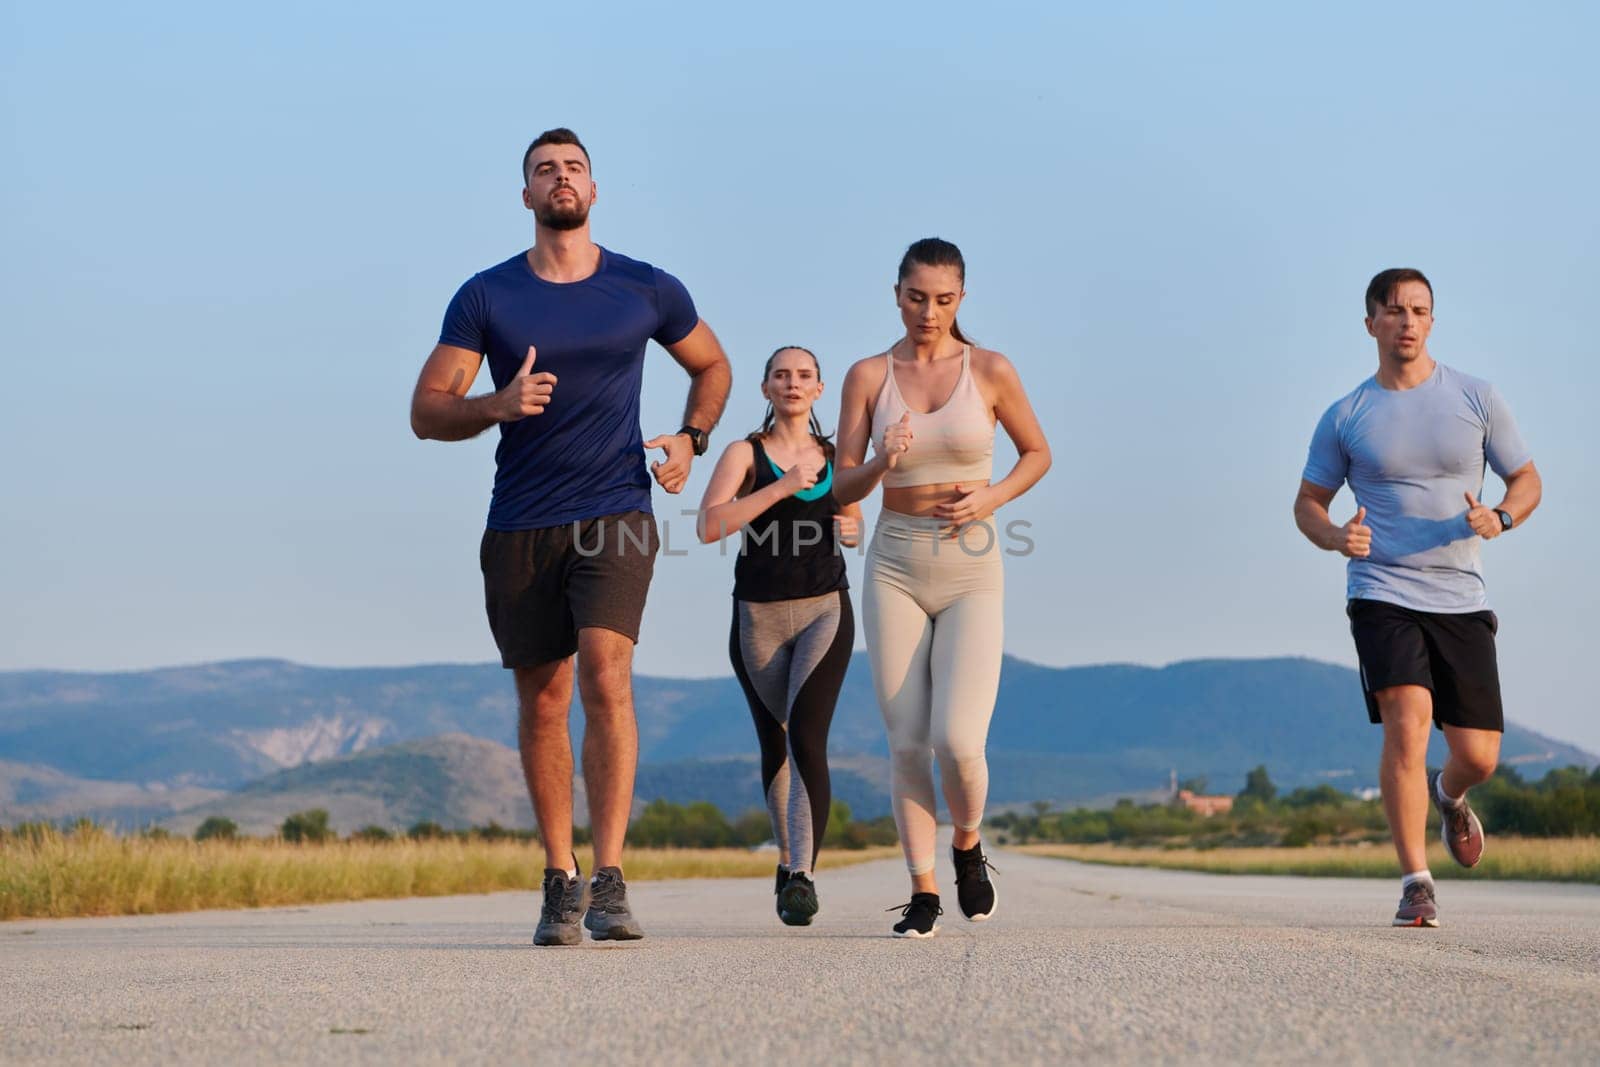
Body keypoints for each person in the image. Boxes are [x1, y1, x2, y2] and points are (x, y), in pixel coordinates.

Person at [409, 128, 731, 946]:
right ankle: (561, 876)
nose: (561, 178)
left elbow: (714, 366)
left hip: (617, 509)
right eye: (545, 170)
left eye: (574, 167)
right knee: (543, 698)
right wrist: (495, 406)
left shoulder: (644, 288)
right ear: (526, 195)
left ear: (595, 188)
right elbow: (426, 411)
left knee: (605, 672)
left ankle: (612, 877)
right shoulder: (487, 296)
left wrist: (692, 437)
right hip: (520, 521)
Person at [1295, 268, 1541, 928]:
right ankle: (1416, 880)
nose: (1408, 321)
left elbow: (1526, 479)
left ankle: (1449, 794)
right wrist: (1334, 535)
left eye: (1420, 310)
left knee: (1480, 755)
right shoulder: (1347, 414)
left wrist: (1503, 516)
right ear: (1371, 321)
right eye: (1396, 310)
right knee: (1406, 720)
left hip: (1460, 592)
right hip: (1382, 590)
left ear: (1432, 321)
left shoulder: (1476, 397)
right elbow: (1308, 504)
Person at [833, 238, 1051, 937]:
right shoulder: (868, 375)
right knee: (905, 743)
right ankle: (923, 889)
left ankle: (967, 844)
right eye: (917, 297)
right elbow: (838, 485)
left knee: (958, 739)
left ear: (962, 297)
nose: (929, 311)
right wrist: (880, 460)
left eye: (944, 299)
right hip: (895, 562)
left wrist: (990, 499)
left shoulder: (988, 369)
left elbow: (1037, 452)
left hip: (970, 566)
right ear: (896, 294)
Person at [697, 346, 863, 926]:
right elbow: (709, 523)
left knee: (808, 738)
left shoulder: (839, 455)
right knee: (777, 742)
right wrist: (782, 486)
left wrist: (852, 522)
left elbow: (855, 517)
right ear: (766, 388)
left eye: (804, 376)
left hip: (825, 609)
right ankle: (787, 858)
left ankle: (801, 876)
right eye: (781, 375)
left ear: (819, 390)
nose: (793, 384)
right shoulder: (745, 452)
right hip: (757, 615)